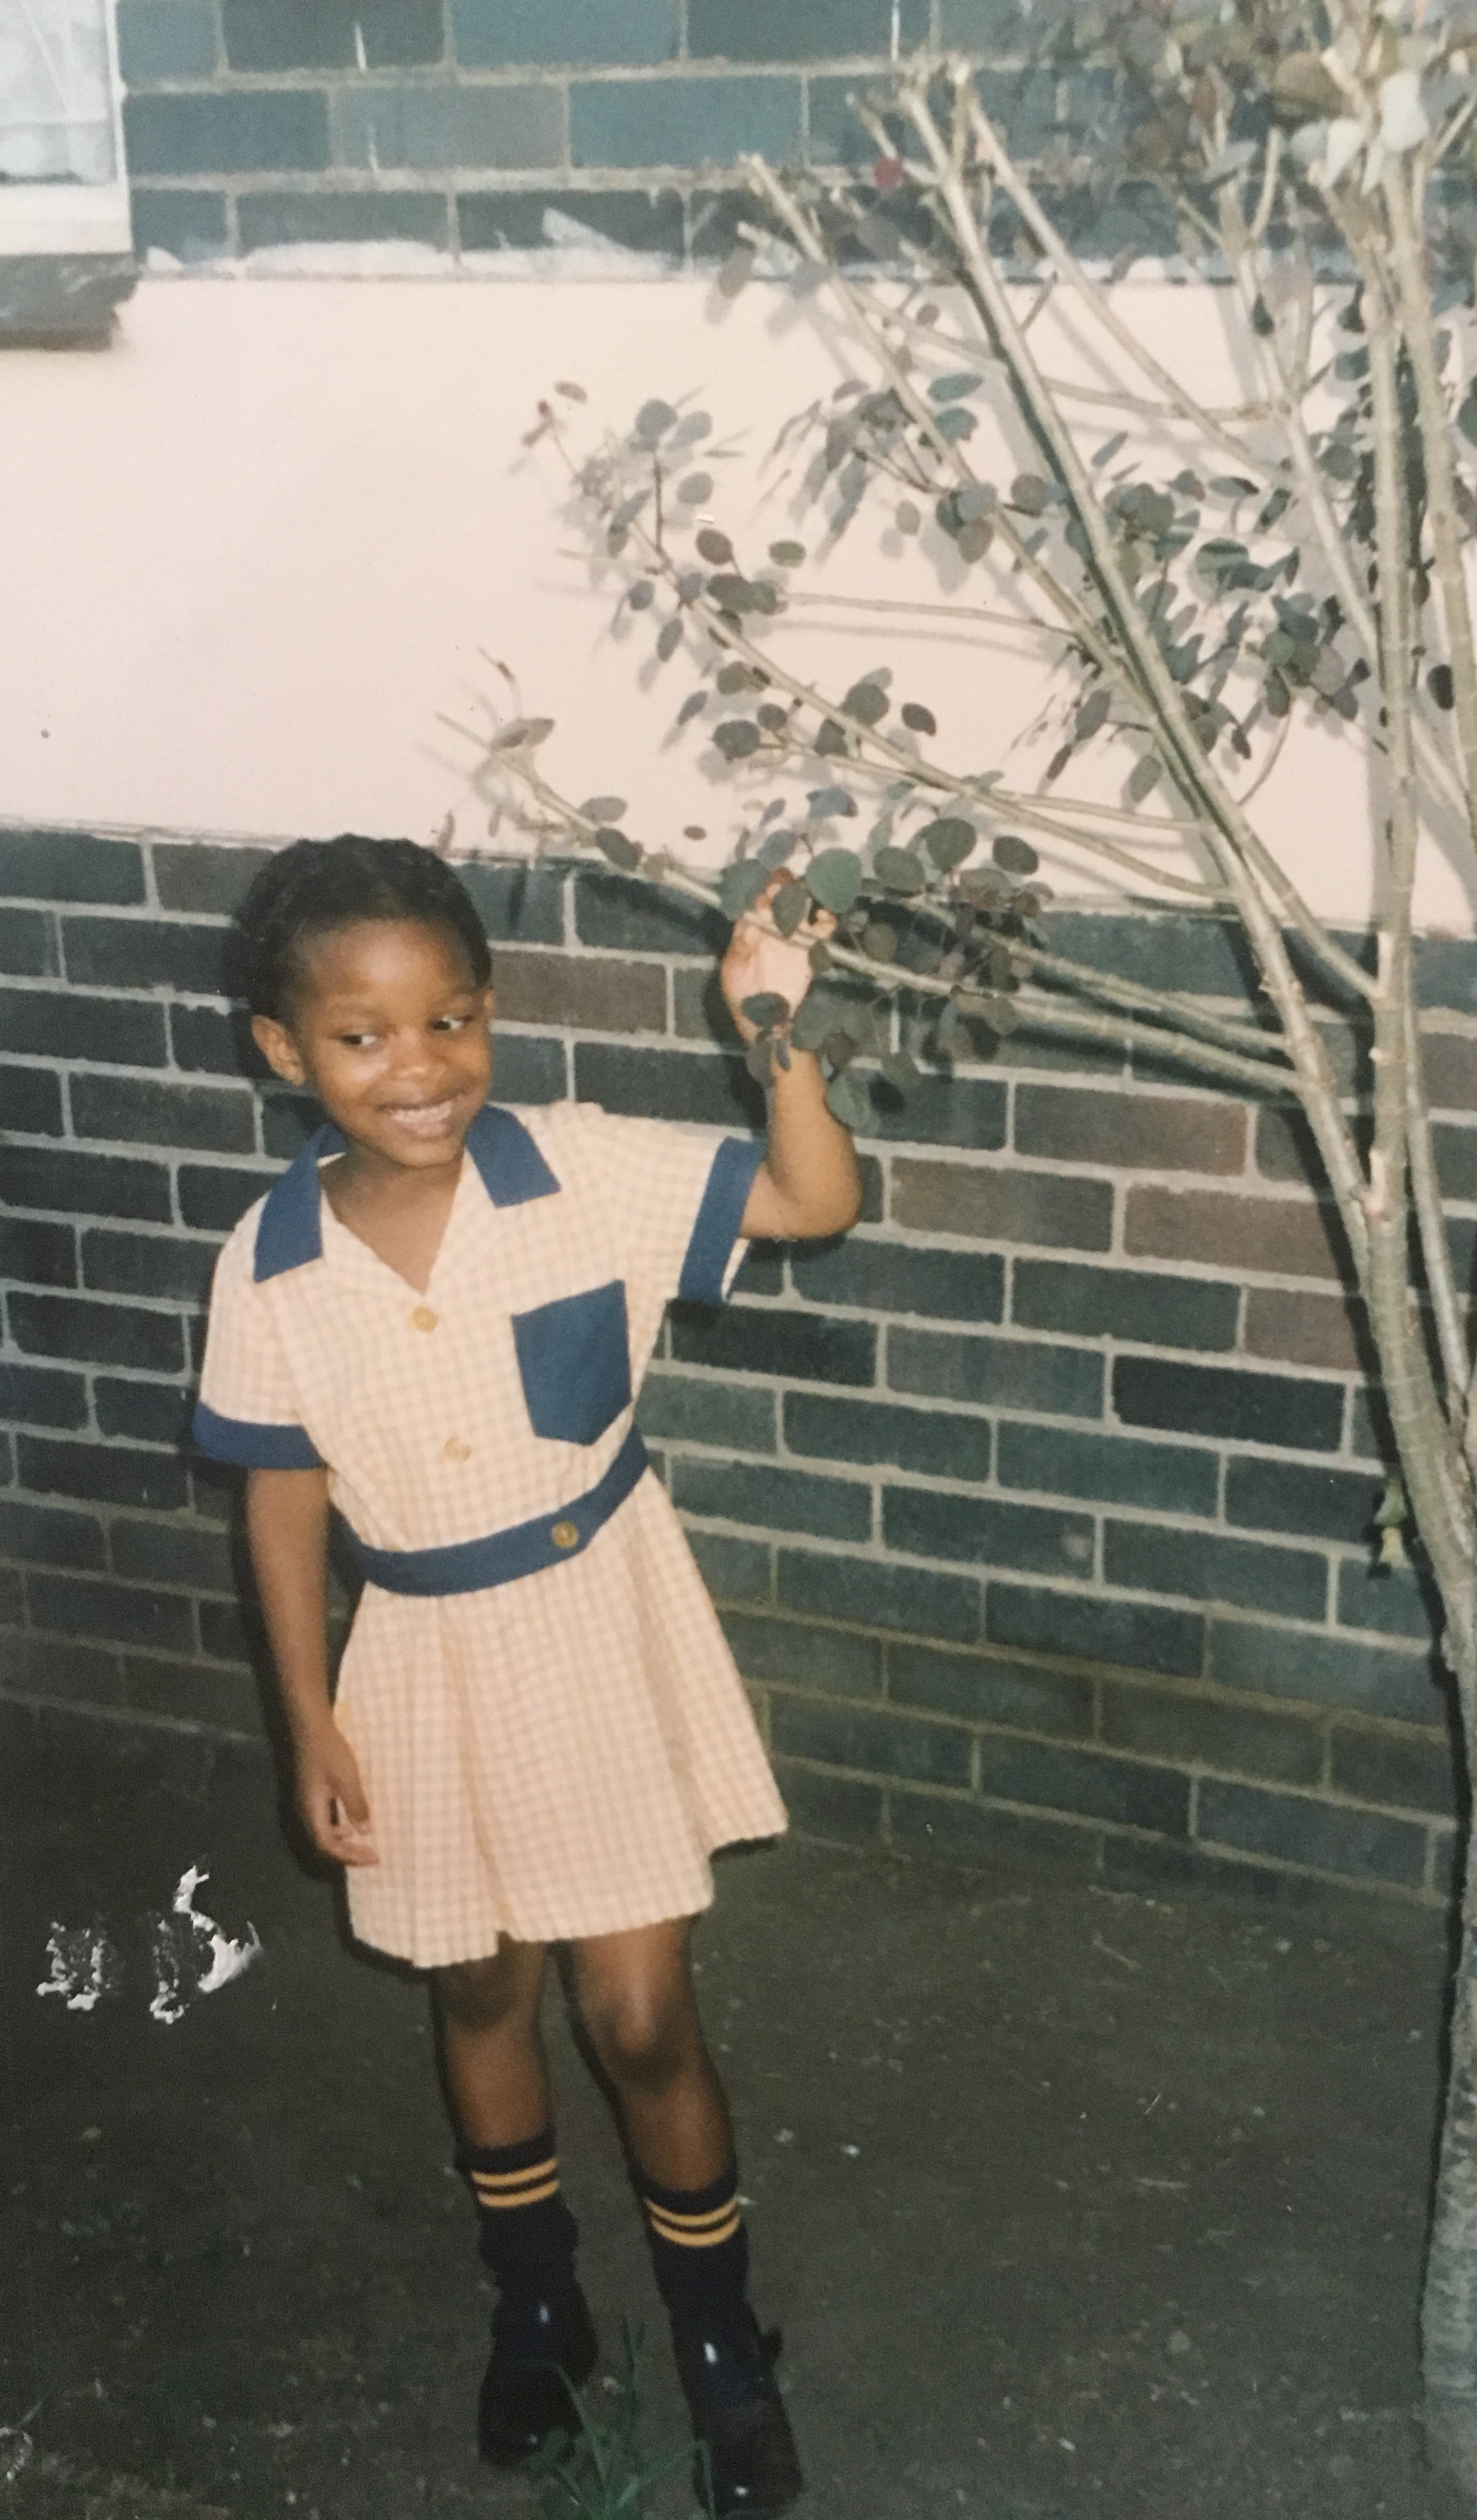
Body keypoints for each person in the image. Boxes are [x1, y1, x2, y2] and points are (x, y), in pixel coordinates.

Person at [192, 834, 860, 2514]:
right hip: (417, 1659)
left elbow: (813, 1204)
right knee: (480, 1992)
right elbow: (281, 1495)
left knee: (639, 2015)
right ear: (284, 1049)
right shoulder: (270, 1261)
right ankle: (537, 2302)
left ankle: (719, 2338)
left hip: (596, 1632)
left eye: (451, 1021)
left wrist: (775, 1036)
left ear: (490, 1012)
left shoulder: (580, 1165)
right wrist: (308, 1717)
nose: (417, 1067)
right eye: (362, 1037)